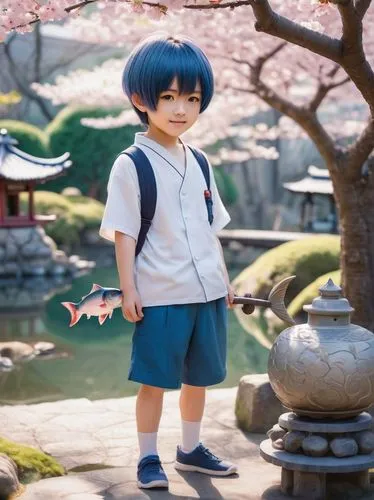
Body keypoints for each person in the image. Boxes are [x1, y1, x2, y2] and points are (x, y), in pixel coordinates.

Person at [99, 33, 238, 490]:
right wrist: (129, 288)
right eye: (169, 96)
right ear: (141, 99)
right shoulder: (131, 163)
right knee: (154, 381)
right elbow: (124, 232)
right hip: (160, 291)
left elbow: (210, 226)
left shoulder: (199, 160)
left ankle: (191, 449)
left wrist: (226, 281)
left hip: (207, 291)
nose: (181, 109)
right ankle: (147, 458)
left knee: (200, 378)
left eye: (193, 98)